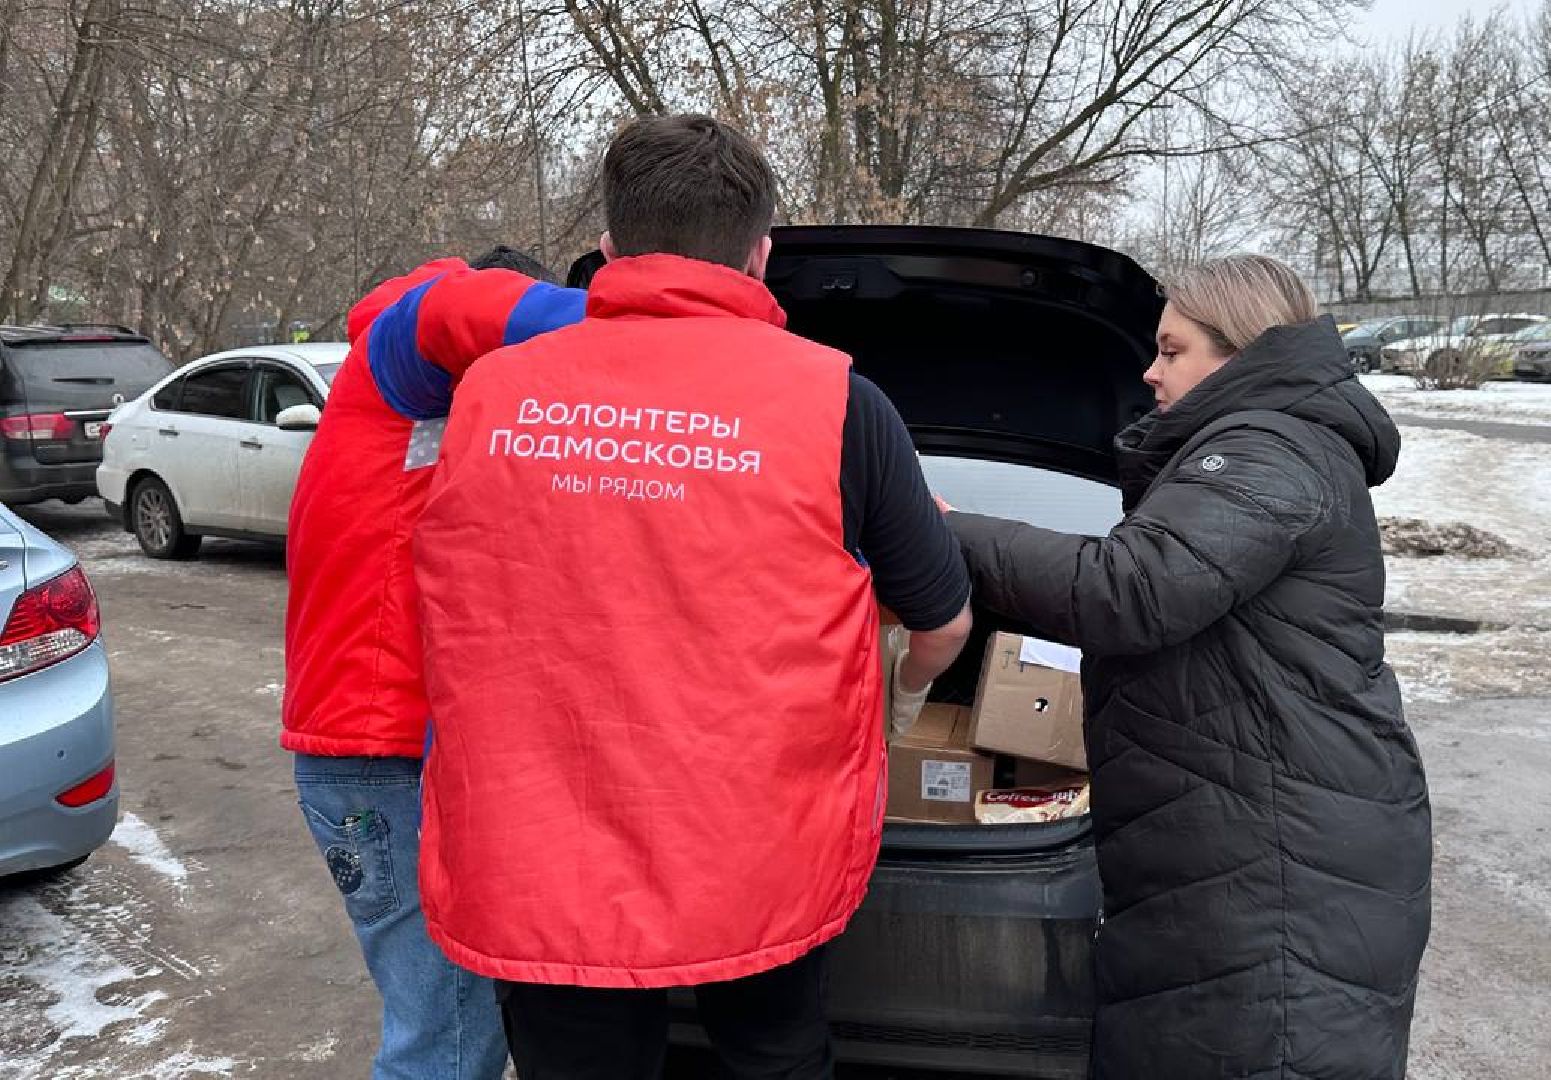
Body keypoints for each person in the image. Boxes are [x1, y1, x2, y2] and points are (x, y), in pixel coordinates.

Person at [409, 113, 973, 1079]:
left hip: (542, 841)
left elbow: (453, 593)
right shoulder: (839, 401)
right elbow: (944, 622)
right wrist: (888, 706)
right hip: (756, 842)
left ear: (611, 247)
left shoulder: (490, 395)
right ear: (761, 254)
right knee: (774, 1055)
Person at [941, 254, 1431, 1079]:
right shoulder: (1271, 442)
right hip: (1248, 843)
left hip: (1280, 866)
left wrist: (941, 532)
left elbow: (1129, 590)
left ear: (1240, 354)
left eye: (1172, 351)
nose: (1148, 369)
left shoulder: (1272, 448)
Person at [282, 246, 585, 1080]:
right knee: (447, 1039)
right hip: (379, 765)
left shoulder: (429, 427)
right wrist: (660, 328)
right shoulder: (402, 354)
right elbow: (462, 309)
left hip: (388, 761)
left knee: (454, 1026)